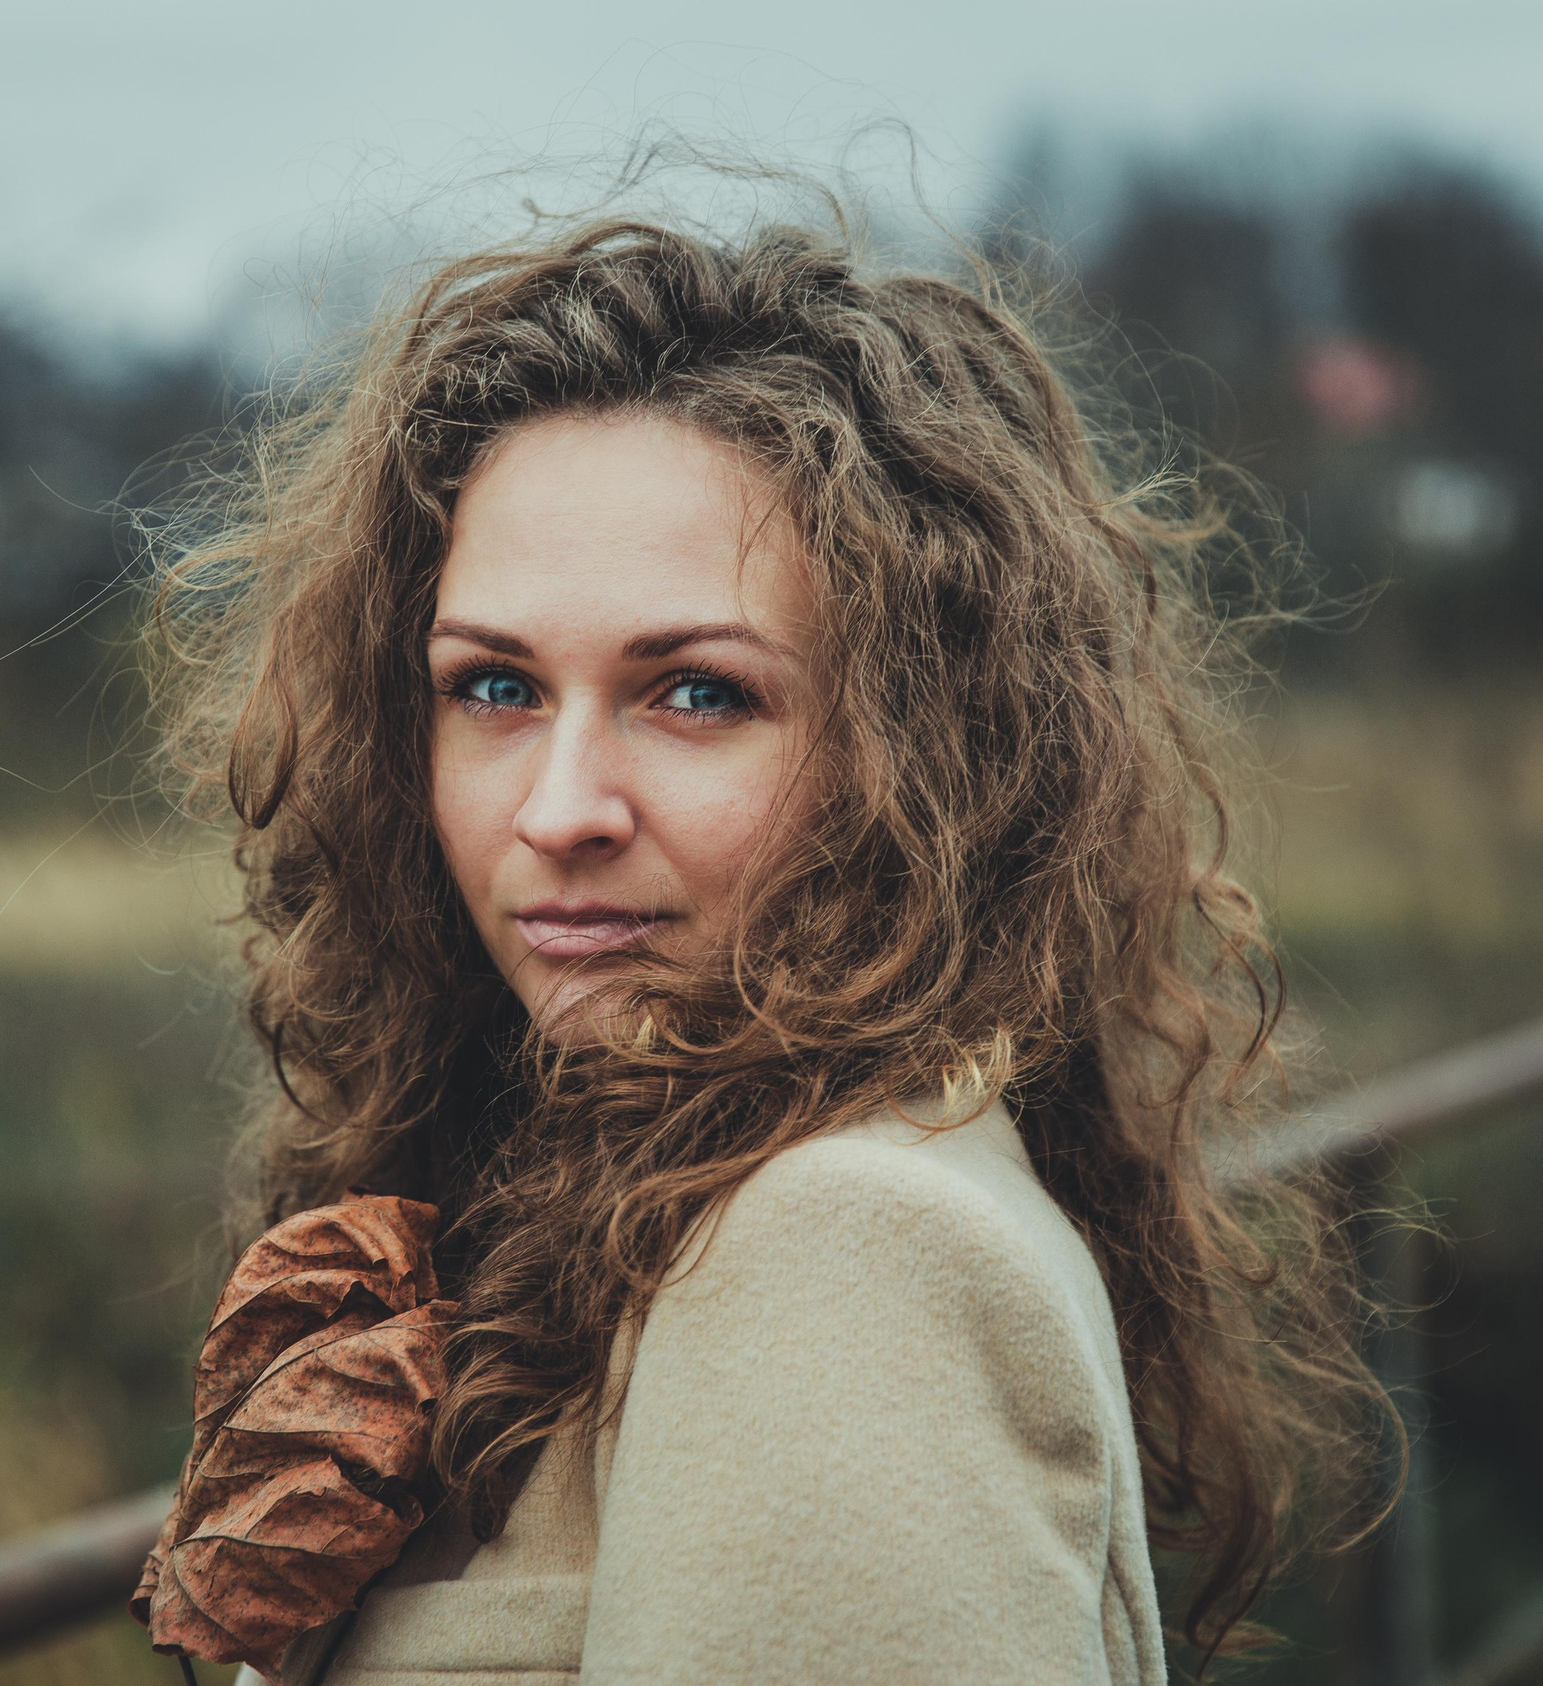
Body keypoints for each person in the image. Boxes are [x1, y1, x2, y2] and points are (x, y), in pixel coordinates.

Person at [137, 207, 1387, 1684]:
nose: (559, 807)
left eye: (697, 696)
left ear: (918, 754)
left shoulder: (841, 1251)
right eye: (493, 686)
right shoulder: (629, 1186)